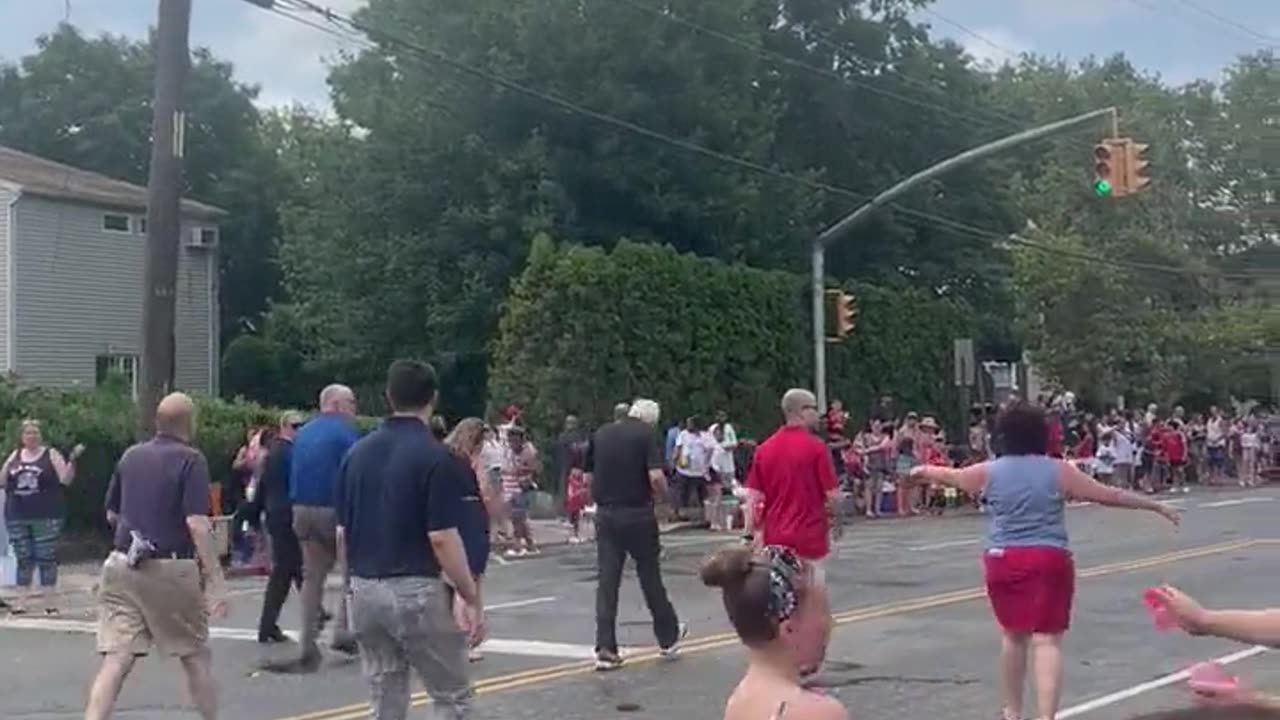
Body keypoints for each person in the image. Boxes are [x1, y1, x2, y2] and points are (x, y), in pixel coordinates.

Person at [905, 402, 1179, 720]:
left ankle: (1012, 711)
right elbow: (1110, 495)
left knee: (1012, 635)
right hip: (1048, 557)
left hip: (1001, 558)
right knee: (1047, 640)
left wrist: (919, 473)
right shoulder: (1057, 470)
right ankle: (1046, 716)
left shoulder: (989, 470)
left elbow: (945, 475)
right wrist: (1155, 506)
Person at [338, 360, 482, 720]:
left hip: (365, 586)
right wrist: (469, 594)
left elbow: (343, 533)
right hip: (416, 587)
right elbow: (442, 538)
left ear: (389, 396)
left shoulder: (356, 455)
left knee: (385, 696)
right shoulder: (437, 458)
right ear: (432, 397)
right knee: (451, 695)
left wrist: (349, 587)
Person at [85, 393, 228, 720]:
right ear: (189, 423)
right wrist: (216, 582)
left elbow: (112, 513)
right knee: (194, 655)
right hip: (170, 567)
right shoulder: (191, 460)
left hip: (123, 564)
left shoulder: (130, 456)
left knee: (117, 657)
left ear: (157, 422)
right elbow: (197, 524)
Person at [585, 398, 686, 671]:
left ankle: (605, 647)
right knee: (650, 577)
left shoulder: (601, 433)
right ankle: (667, 637)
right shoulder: (645, 435)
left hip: (606, 513)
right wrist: (665, 501)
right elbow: (655, 477)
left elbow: (587, 477)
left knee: (607, 582)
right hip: (637, 512)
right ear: (649, 420)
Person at [745, 388, 841, 674]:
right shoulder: (815, 448)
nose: (817, 414)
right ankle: (809, 660)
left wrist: (752, 534)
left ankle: (783, 657)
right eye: (813, 408)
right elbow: (833, 495)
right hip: (809, 539)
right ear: (800, 411)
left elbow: (753, 497)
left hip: (775, 540)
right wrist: (837, 523)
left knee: (782, 603)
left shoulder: (764, 449)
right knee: (813, 604)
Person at [701, 545, 847, 720]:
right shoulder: (816, 712)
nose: (831, 623)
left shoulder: (738, 702)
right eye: (823, 612)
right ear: (789, 629)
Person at [281, 383, 360, 672]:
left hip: (301, 508)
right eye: (351, 403)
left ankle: (307, 644)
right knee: (353, 570)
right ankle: (343, 630)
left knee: (312, 577)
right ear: (336, 405)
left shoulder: (303, 434)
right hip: (334, 509)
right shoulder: (346, 434)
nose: (355, 409)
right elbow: (354, 473)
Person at [2, 419, 83, 615]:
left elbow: (65, 479)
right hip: (17, 513)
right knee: (23, 557)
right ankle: (21, 602)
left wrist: (72, 460)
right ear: (21, 437)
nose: (31, 436)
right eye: (28, 433)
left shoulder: (50, 454)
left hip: (47, 514)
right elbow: (3, 480)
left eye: (35, 433)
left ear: (41, 435)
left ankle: (50, 601)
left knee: (46, 556)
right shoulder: (15, 455)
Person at [445, 418, 501, 662]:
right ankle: (469, 635)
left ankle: (464, 633)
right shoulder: (472, 462)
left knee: (460, 579)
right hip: (473, 518)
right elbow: (485, 491)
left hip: (454, 518)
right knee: (470, 582)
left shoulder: (446, 458)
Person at [254, 411, 305, 644]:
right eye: (295, 425)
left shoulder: (271, 452)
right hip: (287, 514)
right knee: (288, 568)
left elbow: (261, 486)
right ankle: (269, 624)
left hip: (275, 513)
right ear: (284, 426)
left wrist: (255, 513)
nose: (298, 429)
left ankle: (269, 624)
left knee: (289, 567)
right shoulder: (289, 452)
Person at [500, 425, 540, 557]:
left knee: (518, 517)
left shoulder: (527, 451)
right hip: (511, 486)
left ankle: (518, 546)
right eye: (510, 440)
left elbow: (533, 468)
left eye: (514, 440)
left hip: (522, 487)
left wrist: (518, 469)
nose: (512, 443)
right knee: (520, 518)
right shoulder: (510, 451)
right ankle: (530, 544)